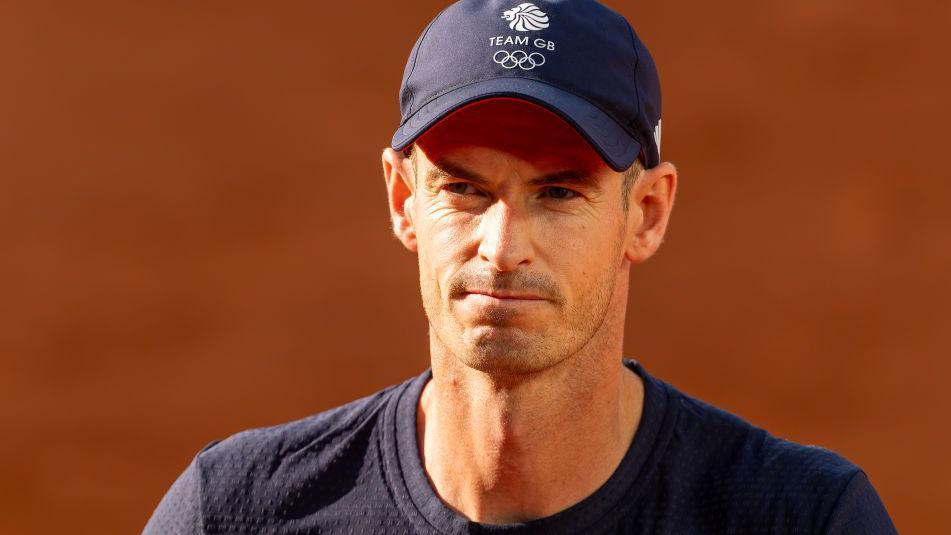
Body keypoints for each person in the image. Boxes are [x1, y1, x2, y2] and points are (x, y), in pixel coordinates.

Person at [143, 1, 898, 533]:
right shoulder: (237, 512)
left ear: (646, 213)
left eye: (559, 191)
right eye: (463, 189)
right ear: (403, 200)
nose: (501, 249)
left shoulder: (799, 517)